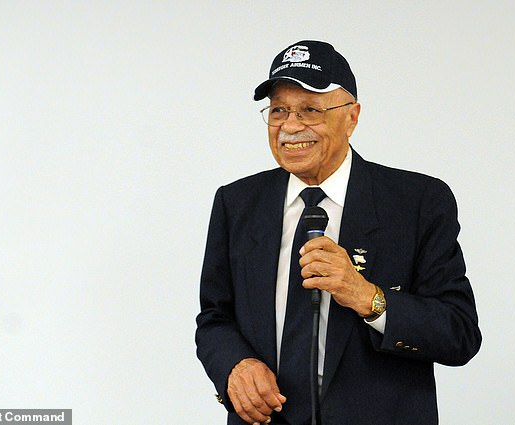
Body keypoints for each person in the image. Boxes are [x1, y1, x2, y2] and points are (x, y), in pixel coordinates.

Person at [195, 40, 481, 425]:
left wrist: (366, 296)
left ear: (352, 117)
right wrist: (236, 365)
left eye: (309, 109)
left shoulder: (418, 202)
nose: (290, 126)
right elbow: (214, 317)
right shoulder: (237, 202)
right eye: (279, 110)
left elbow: (458, 334)